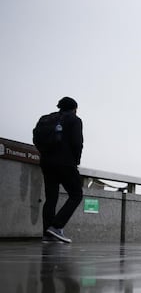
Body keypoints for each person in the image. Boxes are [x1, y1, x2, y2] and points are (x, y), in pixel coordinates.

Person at [33, 97, 84, 243]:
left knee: (51, 198)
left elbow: (36, 139)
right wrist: (76, 161)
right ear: (74, 108)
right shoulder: (74, 120)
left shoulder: (46, 119)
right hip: (66, 162)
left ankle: (47, 235)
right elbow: (77, 142)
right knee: (76, 194)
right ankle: (56, 227)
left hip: (46, 163)